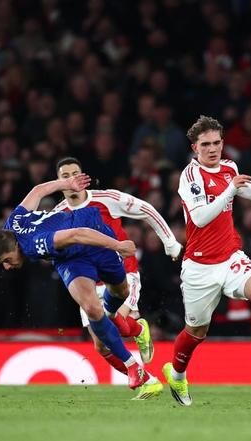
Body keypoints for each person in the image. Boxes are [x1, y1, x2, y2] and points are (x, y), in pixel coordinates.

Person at [163, 115, 251, 406]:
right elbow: (200, 218)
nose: (212, 149)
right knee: (196, 332)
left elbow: (243, 188)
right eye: (205, 145)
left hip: (230, 256)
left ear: (223, 143)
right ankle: (176, 374)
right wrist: (229, 190)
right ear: (194, 147)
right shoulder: (190, 176)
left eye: (216, 143)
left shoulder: (229, 167)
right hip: (199, 266)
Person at [0, 173, 150, 392]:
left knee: (121, 292)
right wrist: (65, 184)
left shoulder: (33, 245)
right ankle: (133, 366)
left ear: (14, 246)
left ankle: (130, 325)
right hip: (71, 259)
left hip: (93, 236)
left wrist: (117, 246)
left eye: (7, 260)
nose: (8, 266)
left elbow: (78, 234)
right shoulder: (12, 223)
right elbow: (37, 191)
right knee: (92, 309)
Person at [54, 156, 182, 399]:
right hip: (88, 282)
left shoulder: (106, 199)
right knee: (100, 345)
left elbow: (146, 210)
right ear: (58, 182)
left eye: (75, 174)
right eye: (65, 176)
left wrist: (169, 242)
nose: (71, 180)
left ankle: (137, 328)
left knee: (114, 320)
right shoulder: (57, 215)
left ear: (84, 177)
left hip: (122, 272)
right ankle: (147, 380)